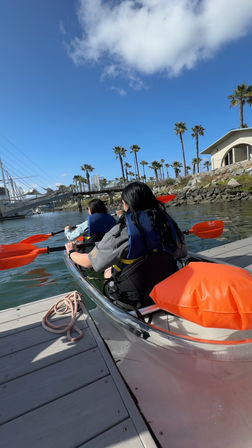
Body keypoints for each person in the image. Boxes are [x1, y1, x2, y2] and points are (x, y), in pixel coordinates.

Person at [65, 182, 187, 309]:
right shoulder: (168, 225)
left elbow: (90, 263)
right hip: (168, 288)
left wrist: (71, 252)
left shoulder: (122, 231)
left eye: (123, 203)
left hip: (135, 297)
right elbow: (182, 253)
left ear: (127, 204)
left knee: (108, 270)